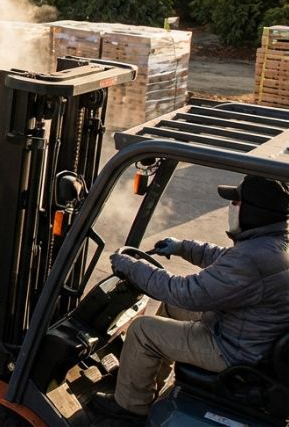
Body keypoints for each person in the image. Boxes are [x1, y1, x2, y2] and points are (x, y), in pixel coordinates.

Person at [92, 175, 289, 421]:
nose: (232, 207)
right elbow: (224, 259)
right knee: (171, 307)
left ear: (253, 212)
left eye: (236, 202)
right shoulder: (271, 244)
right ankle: (142, 377)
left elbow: (184, 292)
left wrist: (131, 267)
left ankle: (131, 406)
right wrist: (182, 247)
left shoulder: (251, 258)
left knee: (143, 331)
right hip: (248, 334)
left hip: (232, 350)